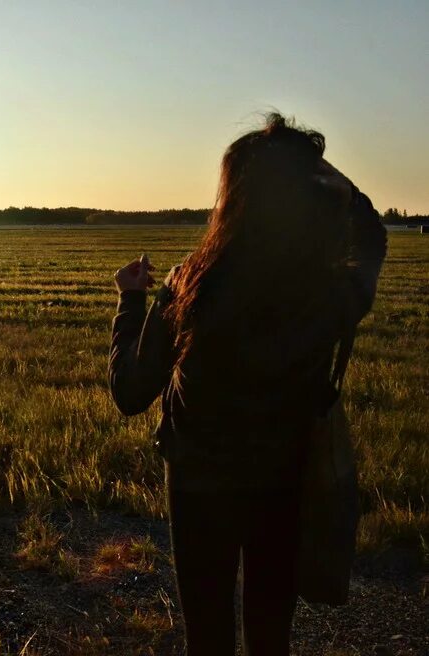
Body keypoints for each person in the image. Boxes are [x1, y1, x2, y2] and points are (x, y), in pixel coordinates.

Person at [108, 113, 387, 655]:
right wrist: (347, 191)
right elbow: (371, 247)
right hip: (284, 482)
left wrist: (130, 301)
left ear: (232, 196)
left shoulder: (191, 282)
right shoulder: (324, 294)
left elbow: (130, 393)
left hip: (197, 485)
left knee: (207, 637)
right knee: (270, 636)